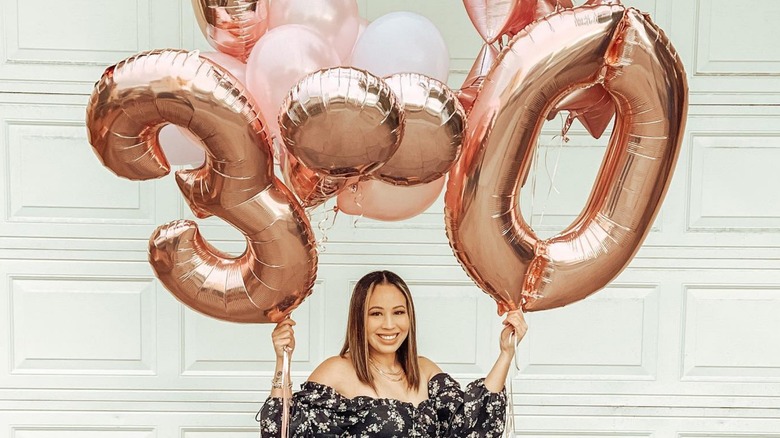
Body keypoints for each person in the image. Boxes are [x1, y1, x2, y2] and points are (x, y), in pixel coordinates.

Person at [258, 270, 528, 437]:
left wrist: (505, 353)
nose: (389, 325)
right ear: (359, 320)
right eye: (376, 314)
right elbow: (282, 430)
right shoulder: (337, 369)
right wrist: (283, 359)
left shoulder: (425, 370)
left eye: (398, 312)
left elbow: (470, 424)